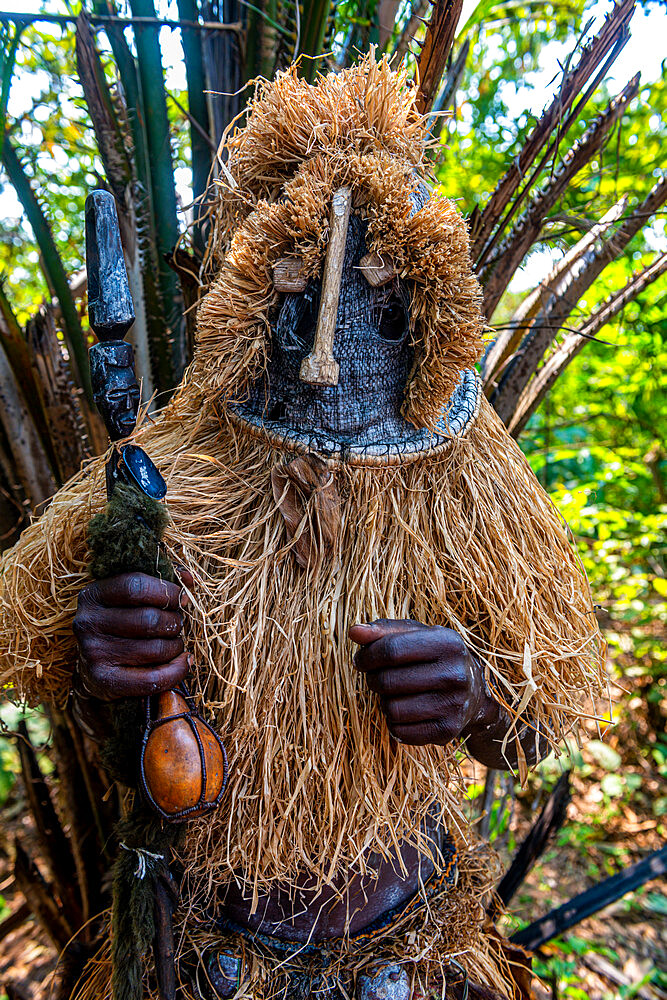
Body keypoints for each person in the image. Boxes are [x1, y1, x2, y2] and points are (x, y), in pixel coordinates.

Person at [0, 55, 605, 1000]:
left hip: (410, 949)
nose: (330, 350)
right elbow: (28, 650)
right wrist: (99, 649)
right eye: (297, 299)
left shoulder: (468, 478)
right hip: (200, 953)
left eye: (382, 300)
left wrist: (480, 698)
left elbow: (539, 722)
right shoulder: (170, 467)